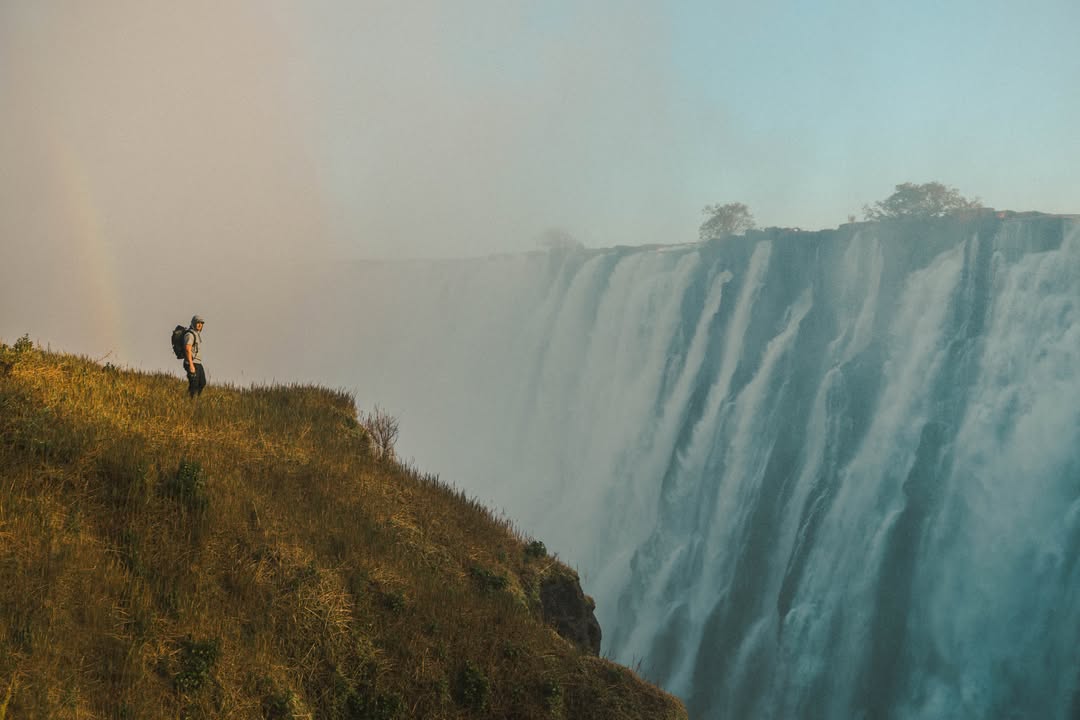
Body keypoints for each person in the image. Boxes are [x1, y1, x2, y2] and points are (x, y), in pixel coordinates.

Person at [183, 315, 206, 398]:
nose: (200, 325)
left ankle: (195, 399)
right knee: (194, 385)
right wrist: (191, 365)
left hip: (198, 363)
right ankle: (190, 401)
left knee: (202, 382)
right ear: (193, 323)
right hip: (192, 363)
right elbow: (187, 349)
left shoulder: (196, 334)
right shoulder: (190, 335)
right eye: (198, 323)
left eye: (201, 323)